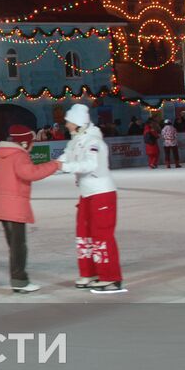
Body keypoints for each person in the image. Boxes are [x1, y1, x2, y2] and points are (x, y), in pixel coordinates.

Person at [59, 103, 126, 294]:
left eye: (68, 122)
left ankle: (111, 278)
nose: (66, 125)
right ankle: (90, 272)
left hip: (101, 194)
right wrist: (45, 166)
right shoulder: (75, 141)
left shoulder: (93, 141)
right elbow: (64, 158)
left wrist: (64, 167)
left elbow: (90, 164)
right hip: (86, 194)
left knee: (101, 235)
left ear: (77, 123)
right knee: (84, 234)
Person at [0, 125, 63, 293]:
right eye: (31, 142)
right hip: (13, 206)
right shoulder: (19, 156)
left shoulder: (4, 155)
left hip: (3, 205)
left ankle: (18, 280)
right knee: (18, 246)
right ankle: (20, 281)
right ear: (24, 143)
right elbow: (30, 173)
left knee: (15, 245)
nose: (32, 146)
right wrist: (55, 165)